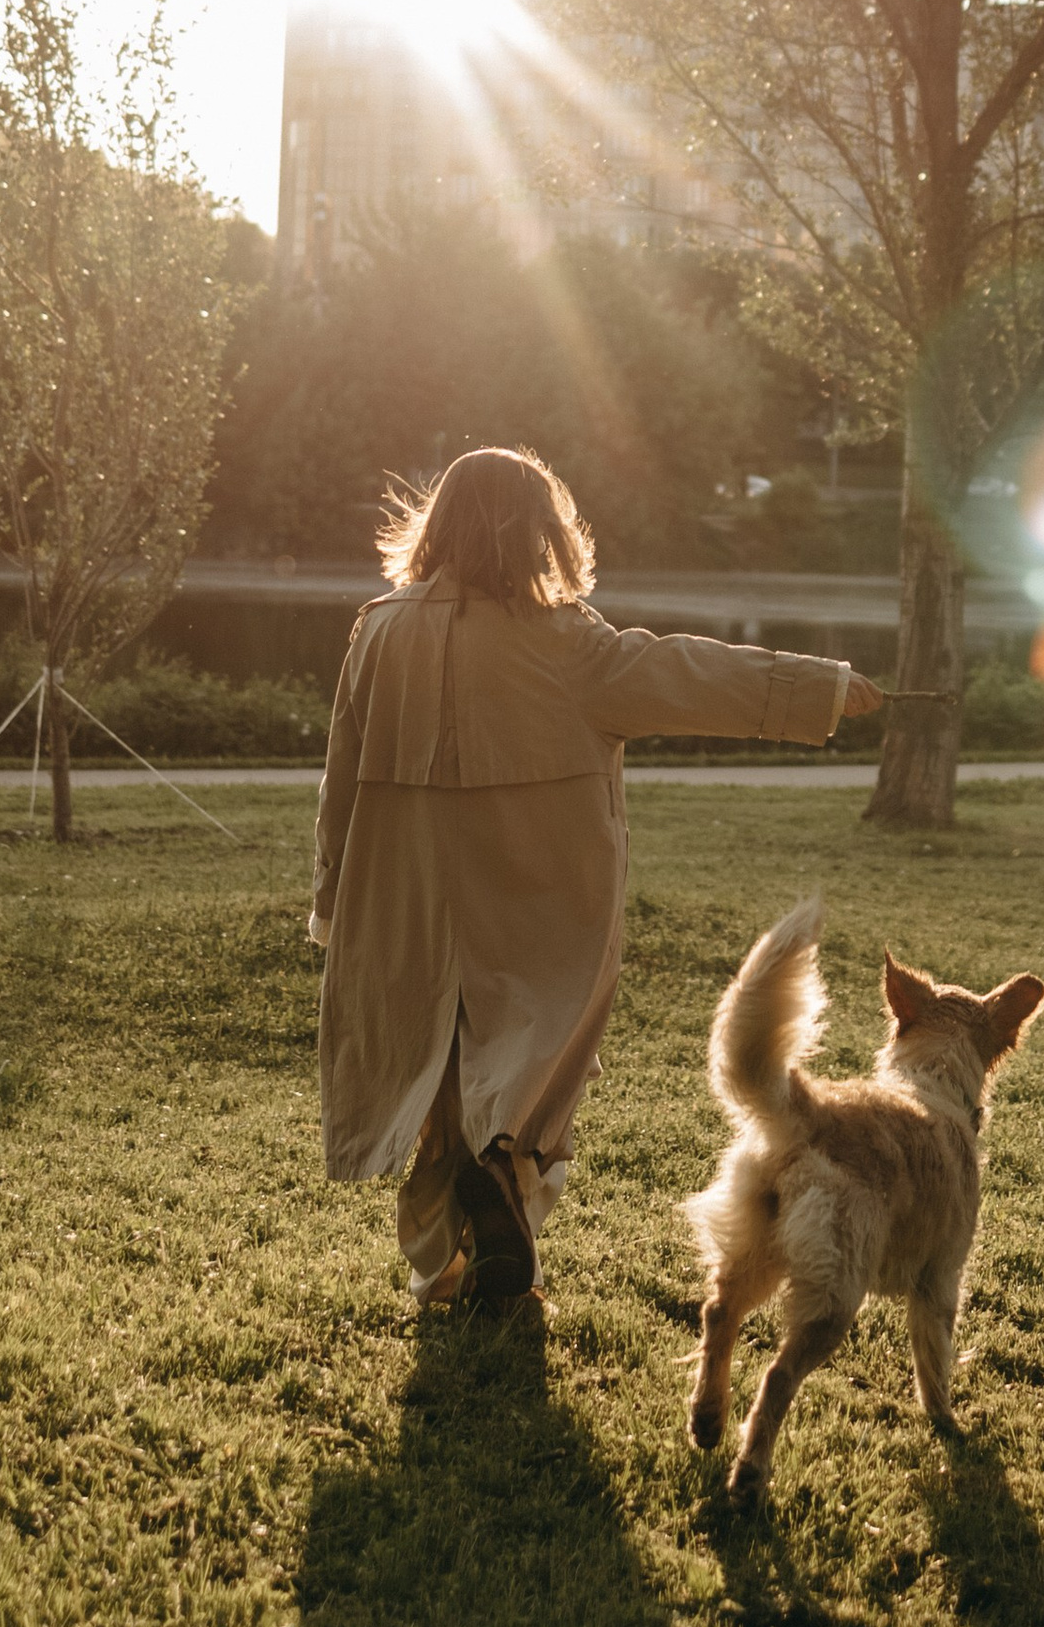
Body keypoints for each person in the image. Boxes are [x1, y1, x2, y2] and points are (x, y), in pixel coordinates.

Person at [309, 444, 884, 1314]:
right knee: (526, 1070)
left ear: (439, 523)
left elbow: (340, 779)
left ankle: (446, 1271)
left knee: (435, 1076)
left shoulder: (378, 632)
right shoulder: (569, 646)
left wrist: (329, 899)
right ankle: (504, 1180)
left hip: (405, 902)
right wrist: (824, 687)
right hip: (536, 898)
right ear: (540, 533)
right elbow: (692, 672)